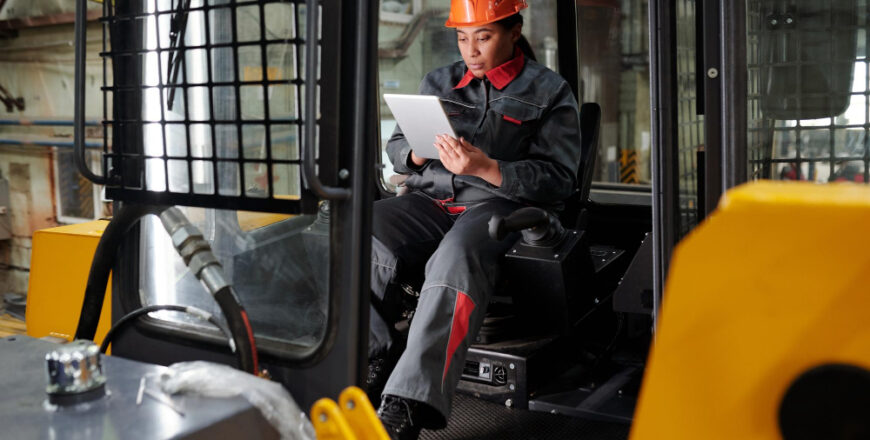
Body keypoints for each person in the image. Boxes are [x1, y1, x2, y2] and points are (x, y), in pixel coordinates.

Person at [368, 1, 582, 438]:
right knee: (359, 232)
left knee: (457, 256)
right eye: (462, 38)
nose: (471, 50)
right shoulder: (438, 82)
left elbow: (560, 180)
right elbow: (396, 148)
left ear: (514, 31)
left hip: (496, 206)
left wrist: (488, 169)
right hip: (431, 201)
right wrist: (414, 153)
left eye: (483, 37)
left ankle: (408, 404)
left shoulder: (549, 91)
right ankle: (372, 360)